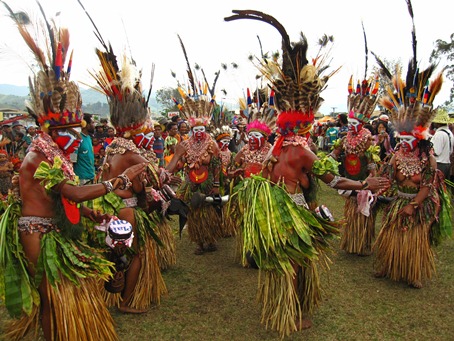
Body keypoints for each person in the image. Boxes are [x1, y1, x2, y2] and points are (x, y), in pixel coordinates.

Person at [225, 10, 389, 337]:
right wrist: (363, 183)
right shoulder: (302, 150)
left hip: (267, 211)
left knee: (281, 264)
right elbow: (333, 180)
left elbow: (267, 175)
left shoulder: (277, 145)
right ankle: (294, 314)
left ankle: (281, 308)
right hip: (288, 213)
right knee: (297, 264)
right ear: (307, 119)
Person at [0, 5, 145, 339]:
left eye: (78, 130)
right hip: (36, 229)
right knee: (52, 298)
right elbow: (72, 192)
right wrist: (117, 182)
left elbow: (66, 199)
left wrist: (93, 216)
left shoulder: (55, 152)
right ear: (50, 128)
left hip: (55, 226)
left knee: (66, 291)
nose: (76, 138)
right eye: (69, 131)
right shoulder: (40, 154)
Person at [83, 16, 169, 313]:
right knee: (134, 256)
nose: (149, 124)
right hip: (125, 209)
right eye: (145, 121)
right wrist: (170, 165)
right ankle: (127, 302)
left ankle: (107, 296)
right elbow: (156, 182)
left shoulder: (112, 147)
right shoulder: (134, 154)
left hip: (108, 206)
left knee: (112, 253)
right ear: (135, 122)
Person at [372, 14, 452, 288]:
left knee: (414, 237)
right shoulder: (396, 155)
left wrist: (413, 204)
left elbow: (428, 187)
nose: (402, 143)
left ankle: (413, 273)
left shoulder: (427, 158)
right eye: (400, 138)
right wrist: (377, 187)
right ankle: (387, 264)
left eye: (407, 139)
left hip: (415, 205)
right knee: (390, 234)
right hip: (397, 202)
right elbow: (388, 177)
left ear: (418, 138)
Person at [330, 73, 381, 257]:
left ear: (361, 123)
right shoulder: (345, 138)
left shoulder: (367, 138)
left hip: (363, 181)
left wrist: (371, 180)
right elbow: (335, 154)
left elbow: (371, 161)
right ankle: (351, 242)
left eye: (354, 123)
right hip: (350, 179)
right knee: (351, 213)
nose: (350, 126)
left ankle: (363, 244)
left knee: (363, 213)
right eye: (349, 123)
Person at [73, 113, 96, 185]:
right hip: (82, 179)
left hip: (91, 176)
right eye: (92, 123)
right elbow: (72, 159)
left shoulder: (89, 138)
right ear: (85, 124)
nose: (94, 125)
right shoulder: (77, 139)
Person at [430, 110, 454, 179]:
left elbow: (436, 151)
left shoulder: (439, 134)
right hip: (447, 163)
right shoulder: (449, 133)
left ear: (437, 123)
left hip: (439, 164)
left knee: (437, 187)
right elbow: (451, 151)